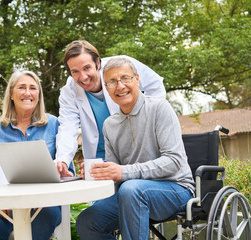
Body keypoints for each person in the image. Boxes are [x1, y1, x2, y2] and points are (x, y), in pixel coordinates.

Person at [75, 57, 195, 240]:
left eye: (125, 78)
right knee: (87, 221)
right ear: (107, 88)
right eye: (112, 82)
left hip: (176, 189)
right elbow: (116, 177)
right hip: (131, 195)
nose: (120, 86)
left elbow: (174, 161)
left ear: (137, 79)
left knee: (131, 189)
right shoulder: (109, 125)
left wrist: (122, 172)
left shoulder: (159, 109)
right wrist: (97, 174)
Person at [0, 70, 71, 240]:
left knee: (46, 217)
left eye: (33, 88)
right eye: (22, 87)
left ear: (39, 94)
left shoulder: (54, 124)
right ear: (11, 94)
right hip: (2, 208)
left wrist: (63, 171)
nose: (27, 93)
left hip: (43, 205)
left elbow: (68, 170)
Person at [55, 40, 167, 177]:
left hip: (133, 151)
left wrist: (145, 122)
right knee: (103, 197)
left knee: (130, 190)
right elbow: (68, 127)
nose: (83, 77)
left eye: (87, 68)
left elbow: (155, 86)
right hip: (100, 156)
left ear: (98, 63)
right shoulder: (69, 92)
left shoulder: (121, 66)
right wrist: (62, 160)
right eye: (75, 71)